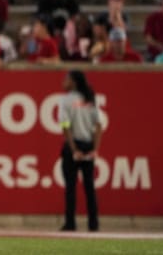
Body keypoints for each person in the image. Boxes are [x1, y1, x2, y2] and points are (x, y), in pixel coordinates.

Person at [59, 70, 101, 232]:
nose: (63, 81)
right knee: (89, 187)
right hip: (88, 144)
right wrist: (95, 149)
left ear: (74, 82)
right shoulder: (89, 99)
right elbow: (98, 125)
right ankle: (93, 224)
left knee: (71, 187)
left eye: (66, 79)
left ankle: (70, 223)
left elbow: (65, 125)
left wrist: (73, 149)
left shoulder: (65, 100)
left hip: (73, 145)